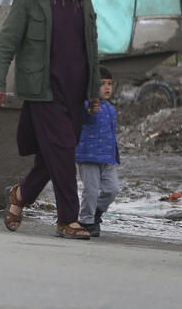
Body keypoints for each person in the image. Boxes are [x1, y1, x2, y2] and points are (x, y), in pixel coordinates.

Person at [0, 0, 101, 240]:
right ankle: (67, 219)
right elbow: (6, 43)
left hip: (75, 92)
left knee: (53, 156)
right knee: (63, 152)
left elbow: (90, 47)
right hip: (43, 91)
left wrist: (93, 91)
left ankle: (20, 194)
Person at [76, 66, 119, 237]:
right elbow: (83, 115)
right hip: (88, 156)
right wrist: (87, 109)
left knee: (112, 189)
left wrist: (114, 154)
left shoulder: (110, 108)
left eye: (109, 83)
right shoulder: (87, 105)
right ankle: (86, 221)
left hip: (108, 158)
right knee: (91, 190)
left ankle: (96, 213)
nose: (107, 87)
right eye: (102, 84)